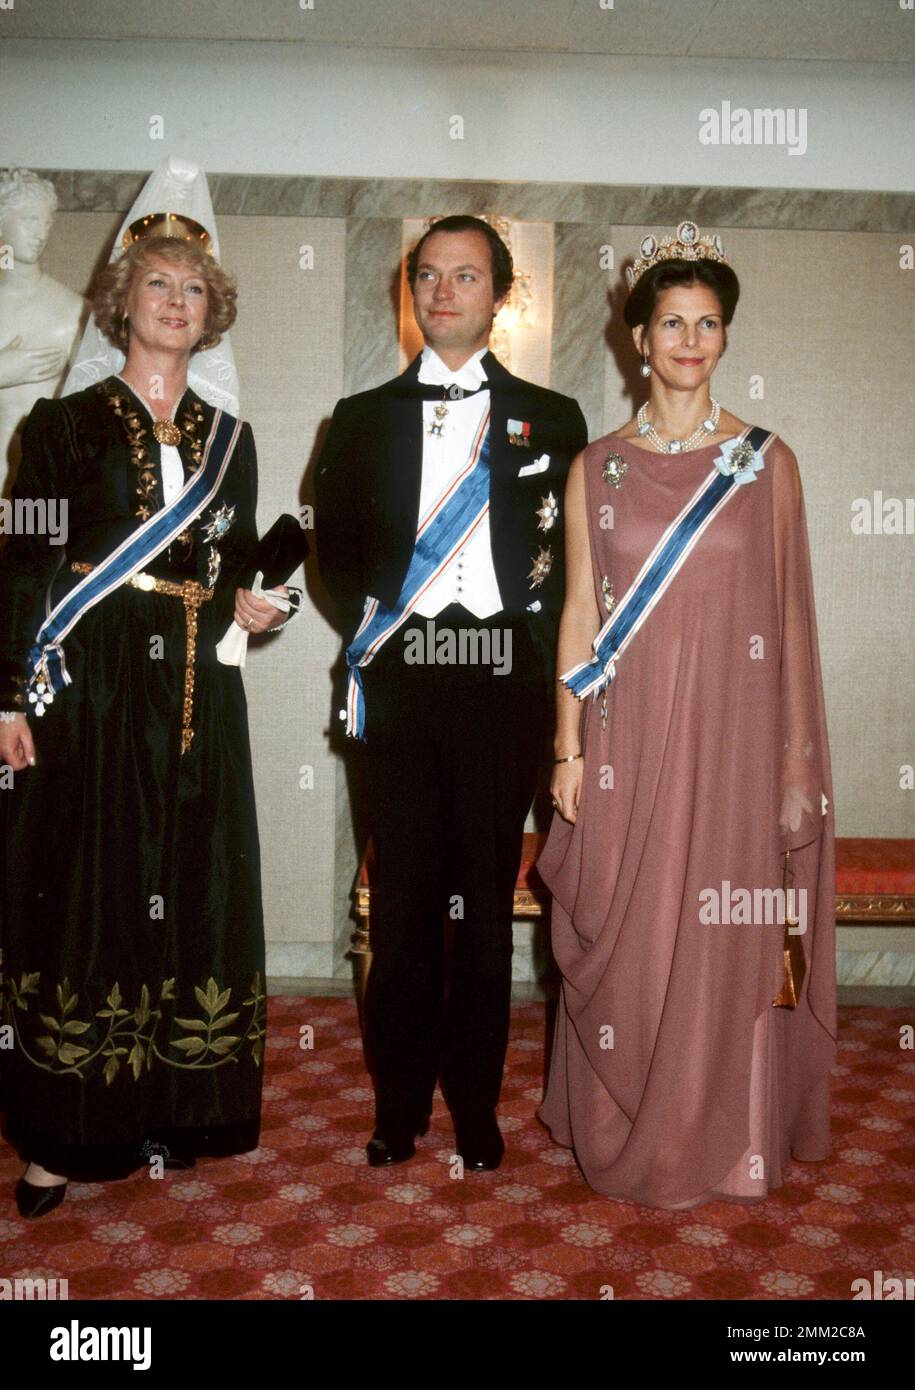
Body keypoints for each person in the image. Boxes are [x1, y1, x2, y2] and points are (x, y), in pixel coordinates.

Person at [536, 222, 837, 1209]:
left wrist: (792, 771)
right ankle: (629, 1121)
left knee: (719, 933)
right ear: (638, 336)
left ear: (725, 335)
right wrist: (568, 742)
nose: (691, 338)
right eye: (672, 320)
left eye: (708, 321)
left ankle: (722, 1131)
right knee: (636, 930)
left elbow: (789, 623)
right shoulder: (596, 467)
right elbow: (581, 612)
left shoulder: (767, 464)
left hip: (732, 745)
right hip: (624, 742)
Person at [0, 223, 289, 1218]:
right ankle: (59, 1136)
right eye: (157, 284)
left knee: (188, 879)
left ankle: (171, 1101)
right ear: (122, 301)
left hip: (200, 687)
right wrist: (7, 693)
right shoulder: (58, 426)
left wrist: (263, 602)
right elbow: (24, 563)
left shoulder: (232, 440)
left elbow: (243, 560)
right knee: (89, 886)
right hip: (94, 680)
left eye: (194, 289)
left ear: (213, 314)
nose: (175, 300)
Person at [315, 215, 587, 1170]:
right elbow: (332, 554)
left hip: (502, 687)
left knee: (480, 905)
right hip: (400, 683)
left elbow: (568, 559)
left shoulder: (552, 418)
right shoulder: (360, 417)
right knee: (401, 907)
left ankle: (474, 1104)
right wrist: (376, 635)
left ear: (499, 293)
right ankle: (398, 1108)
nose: (442, 291)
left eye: (464, 276)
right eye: (427, 275)